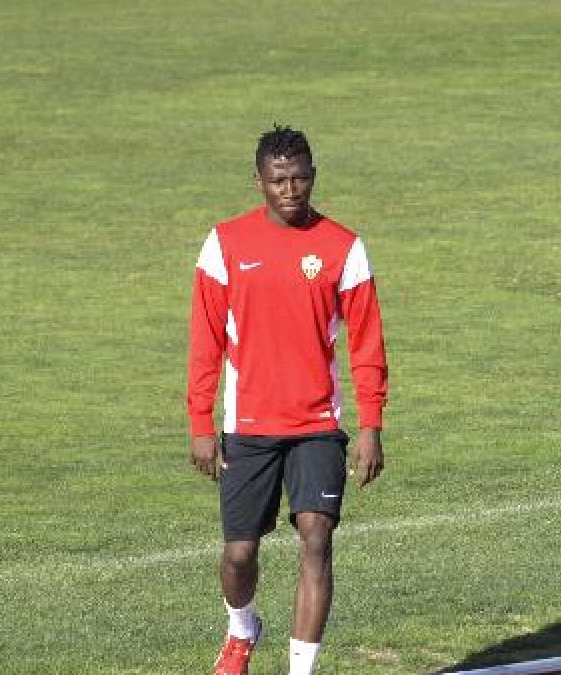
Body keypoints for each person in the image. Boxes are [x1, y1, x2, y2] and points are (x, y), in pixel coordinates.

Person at [187, 125, 388, 675]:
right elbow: (205, 340)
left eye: (300, 178)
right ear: (258, 182)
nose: (291, 190)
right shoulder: (224, 243)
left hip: (318, 424)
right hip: (248, 425)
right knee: (238, 556)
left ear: (314, 177)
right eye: (279, 180)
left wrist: (370, 424)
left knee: (316, 538)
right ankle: (241, 626)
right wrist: (201, 424)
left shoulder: (344, 247)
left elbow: (367, 341)